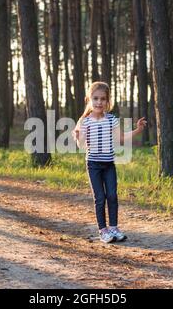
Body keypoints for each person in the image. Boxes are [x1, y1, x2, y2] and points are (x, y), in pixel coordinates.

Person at [74, 82, 147, 243]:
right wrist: (78, 135)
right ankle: (103, 231)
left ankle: (113, 228)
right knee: (100, 197)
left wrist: (138, 130)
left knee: (112, 195)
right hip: (93, 165)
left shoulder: (111, 119)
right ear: (89, 99)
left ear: (108, 101)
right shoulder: (85, 121)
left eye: (103, 99)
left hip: (108, 165)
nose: (99, 102)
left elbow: (120, 139)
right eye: (95, 98)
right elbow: (81, 145)